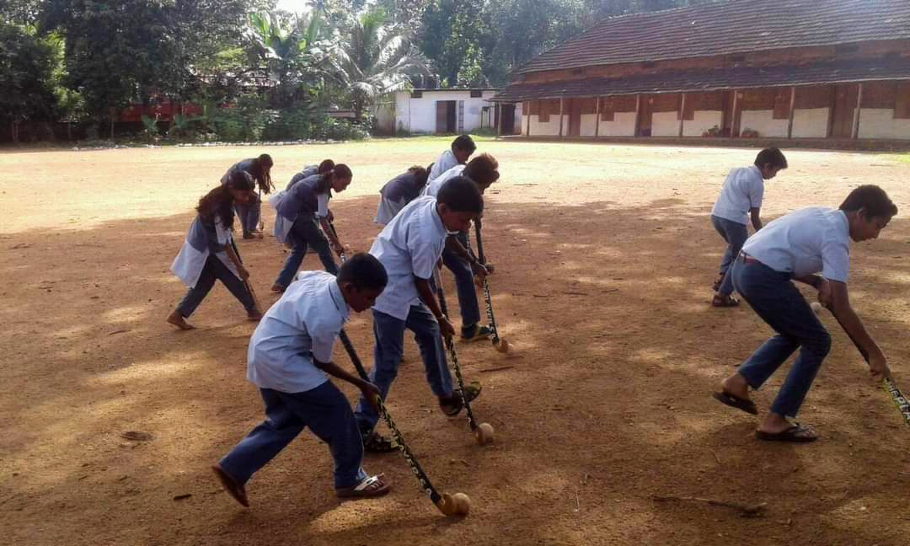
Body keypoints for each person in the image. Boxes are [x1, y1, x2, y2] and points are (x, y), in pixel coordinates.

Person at [713, 185, 897, 443]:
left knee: (795, 332)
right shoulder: (836, 237)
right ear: (861, 214)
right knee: (818, 341)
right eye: (878, 225)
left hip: (744, 269)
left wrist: (816, 281)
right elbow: (842, 308)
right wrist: (876, 355)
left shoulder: (822, 215)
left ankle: (738, 383)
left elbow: (777, 249)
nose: (876, 235)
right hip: (762, 277)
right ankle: (776, 420)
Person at [212, 254, 392, 507]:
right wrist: (363, 384)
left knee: (288, 418)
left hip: (263, 349)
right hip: (284, 362)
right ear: (349, 288)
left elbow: (302, 276)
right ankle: (349, 479)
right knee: (338, 412)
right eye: (369, 297)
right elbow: (322, 361)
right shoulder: (326, 317)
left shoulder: (323, 278)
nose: (371, 304)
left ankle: (234, 466)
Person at [353, 176, 485, 452]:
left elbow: (448, 241)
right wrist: (441, 316)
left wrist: (471, 260)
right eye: (463, 220)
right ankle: (360, 427)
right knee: (387, 363)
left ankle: (446, 396)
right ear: (445, 209)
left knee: (430, 332)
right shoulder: (426, 235)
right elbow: (421, 282)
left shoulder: (431, 204)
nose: (466, 226)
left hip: (400, 284)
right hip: (386, 292)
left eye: (470, 221)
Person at [168, 171, 261, 330]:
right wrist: (239, 266)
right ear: (232, 188)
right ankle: (252, 309)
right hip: (209, 248)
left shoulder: (221, 196)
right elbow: (224, 243)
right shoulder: (220, 207)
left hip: (206, 244)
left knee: (204, 283)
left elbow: (225, 237)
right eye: (244, 194)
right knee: (233, 276)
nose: (246, 198)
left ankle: (179, 314)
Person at [425, 154, 500, 341]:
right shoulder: (451, 196)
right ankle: (467, 328)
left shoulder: (463, 176)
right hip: (433, 230)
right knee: (463, 271)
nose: (482, 193)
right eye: (482, 188)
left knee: (464, 266)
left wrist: (474, 213)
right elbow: (451, 240)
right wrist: (474, 263)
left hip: (442, 224)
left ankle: (468, 326)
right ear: (472, 181)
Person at [710, 147, 788, 307]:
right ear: (767, 166)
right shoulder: (757, 183)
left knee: (735, 247)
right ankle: (722, 295)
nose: (774, 176)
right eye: (775, 171)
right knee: (740, 258)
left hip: (717, 216)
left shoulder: (736, 170)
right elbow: (754, 216)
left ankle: (722, 278)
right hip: (734, 220)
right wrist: (764, 234)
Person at [271, 165, 352, 292]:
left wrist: (326, 210)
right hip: (296, 215)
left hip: (287, 213)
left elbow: (318, 205)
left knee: (299, 249)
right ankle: (338, 277)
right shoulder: (323, 189)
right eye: (343, 184)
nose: (344, 188)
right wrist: (336, 243)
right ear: (335, 178)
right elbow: (323, 221)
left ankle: (281, 282)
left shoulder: (319, 179)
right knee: (322, 243)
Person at [222, 154, 274, 239]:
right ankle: (251, 228)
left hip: (232, 183)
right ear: (262, 165)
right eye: (267, 167)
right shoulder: (249, 168)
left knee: (243, 204)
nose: (268, 170)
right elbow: (244, 185)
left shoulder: (255, 166)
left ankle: (246, 232)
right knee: (254, 200)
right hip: (232, 184)